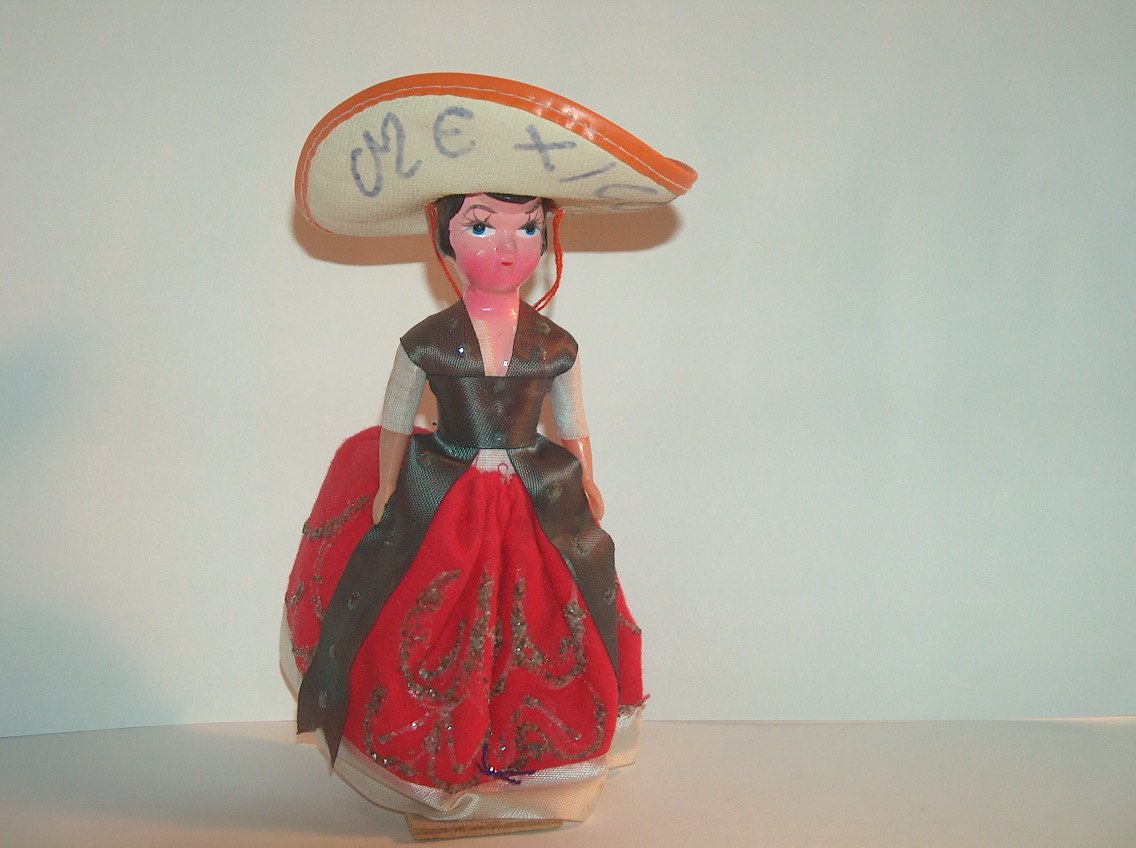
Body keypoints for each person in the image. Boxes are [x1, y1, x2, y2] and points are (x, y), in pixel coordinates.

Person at [282, 73, 696, 825]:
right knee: (434, 619)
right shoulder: (427, 340)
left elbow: (571, 421)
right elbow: (394, 417)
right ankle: (435, 755)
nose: (507, 245)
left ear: (547, 237)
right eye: (481, 225)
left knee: (541, 617)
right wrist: (387, 487)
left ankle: (524, 760)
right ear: (445, 236)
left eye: (527, 228)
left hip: (536, 490)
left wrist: (587, 479)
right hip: (446, 490)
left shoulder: (554, 343)